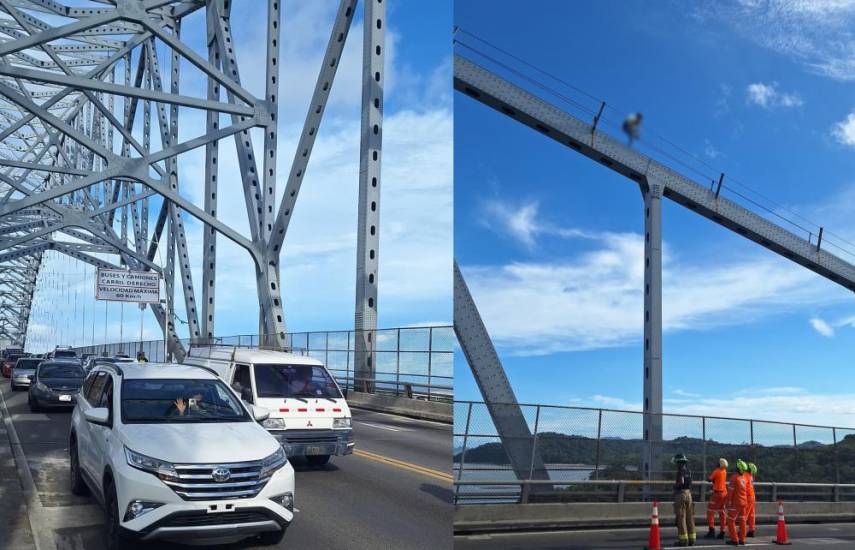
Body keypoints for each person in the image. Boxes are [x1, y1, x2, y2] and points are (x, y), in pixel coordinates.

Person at [672, 453, 696, 547]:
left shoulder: (680, 471)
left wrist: (675, 486)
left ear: (679, 462)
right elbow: (690, 482)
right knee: (689, 517)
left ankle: (683, 540)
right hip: (688, 494)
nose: (676, 465)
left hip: (681, 494)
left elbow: (681, 481)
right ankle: (692, 539)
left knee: (681, 517)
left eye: (677, 463)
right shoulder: (688, 471)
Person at [726, 459, 750, 546]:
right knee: (742, 521)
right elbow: (747, 491)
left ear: (738, 468)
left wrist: (728, 501)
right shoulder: (745, 478)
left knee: (730, 520)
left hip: (736, 502)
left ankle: (734, 539)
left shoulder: (734, 477)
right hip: (744, 502)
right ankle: (742, 540)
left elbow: (730, 491)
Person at [706, 458, 729, 539]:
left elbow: (709, 479)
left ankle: (711, 530)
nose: (717, 464)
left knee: (710, 512)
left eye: (718, 463)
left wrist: (709, 477)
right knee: (722, 512)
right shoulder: (724, 471)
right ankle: (722, 531)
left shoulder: (717, 471)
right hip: (724, 493)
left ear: (720, 464)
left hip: (717, 494)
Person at [746, 463, 757, 537]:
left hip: (747, 497)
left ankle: (741, 532)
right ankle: (751, 530)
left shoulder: (745, 475)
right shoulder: (750, 476)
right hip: (752, 497)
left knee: (744, 516)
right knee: (751, 515)